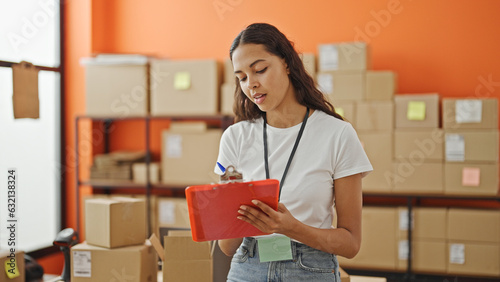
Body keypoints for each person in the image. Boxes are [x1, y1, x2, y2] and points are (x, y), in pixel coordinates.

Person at [215, 23, 373, 282]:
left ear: (287, 63)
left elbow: (351, 243)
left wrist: (292, 229)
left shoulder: (337, 134)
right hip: (247, 267)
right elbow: (226, 246)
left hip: (310, 269)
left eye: (260, 70)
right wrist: (233, 215)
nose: (251, 85)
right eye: (242, 77)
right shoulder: (235, 137)